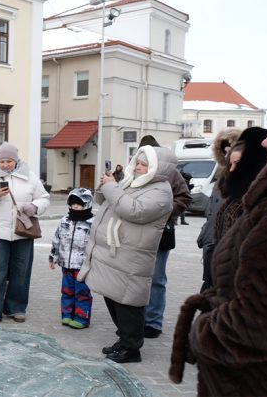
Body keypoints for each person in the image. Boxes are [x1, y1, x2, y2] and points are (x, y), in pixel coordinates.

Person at [169, 112, 267, 396]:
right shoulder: (249, 197)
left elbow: (258, 316)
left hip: (247, 376)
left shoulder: (265, 208)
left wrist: (205, 332)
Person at [78, 145, 174, 363]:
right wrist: (106, 185)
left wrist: (112, 188)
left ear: (157, 168)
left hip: (132, 255)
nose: (139, 168)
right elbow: (104, 201)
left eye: (144, 165)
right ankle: (124, 339)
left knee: (127, 302)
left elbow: (134, 211)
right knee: (112, 296)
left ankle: (132, 349)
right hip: (116, 252)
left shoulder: (160, 191)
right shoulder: (133, 182)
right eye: (138, 163)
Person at [0, 142, 49, 326]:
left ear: (16, 161)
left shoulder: (30, 177)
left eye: (9, 161)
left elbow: (44, 197)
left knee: (21, 271)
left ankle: (16, 308)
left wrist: (35, 206)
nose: (6, 164)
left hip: (23, 232)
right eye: (2, 161)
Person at [137, 135, 191, 339]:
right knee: (136, 279)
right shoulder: (135, 170)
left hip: (161, 234)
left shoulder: (171, 173)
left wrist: (164, 212)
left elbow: (185, 197)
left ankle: (153, 322)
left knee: (157, 279)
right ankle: (136, 320)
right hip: (137, 235)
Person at [196, 128, 239, 291]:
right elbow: (211, 213)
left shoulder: (246, 181)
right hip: (211, 246)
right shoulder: (221, 180)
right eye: (224, 150)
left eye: (231, 150)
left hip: (227, 252)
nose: (227, 154)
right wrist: (205, 234)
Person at [213, 127, 267, 243]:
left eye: (238, 163)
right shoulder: (228, 193)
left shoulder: (255, 201)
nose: (233, 169)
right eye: (231, 163)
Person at [49, 188, 94, 329]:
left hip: (83, 265)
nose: (75, 206)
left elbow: (97, 244)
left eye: (79, 203)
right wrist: (53, 257)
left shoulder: (92, 222)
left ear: (86, 204)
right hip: (66, 263)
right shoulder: (65, 220)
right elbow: (57, 239)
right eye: (72, 203)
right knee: (67, 290)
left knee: (82, 291)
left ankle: (81, 317)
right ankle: (67, 315)